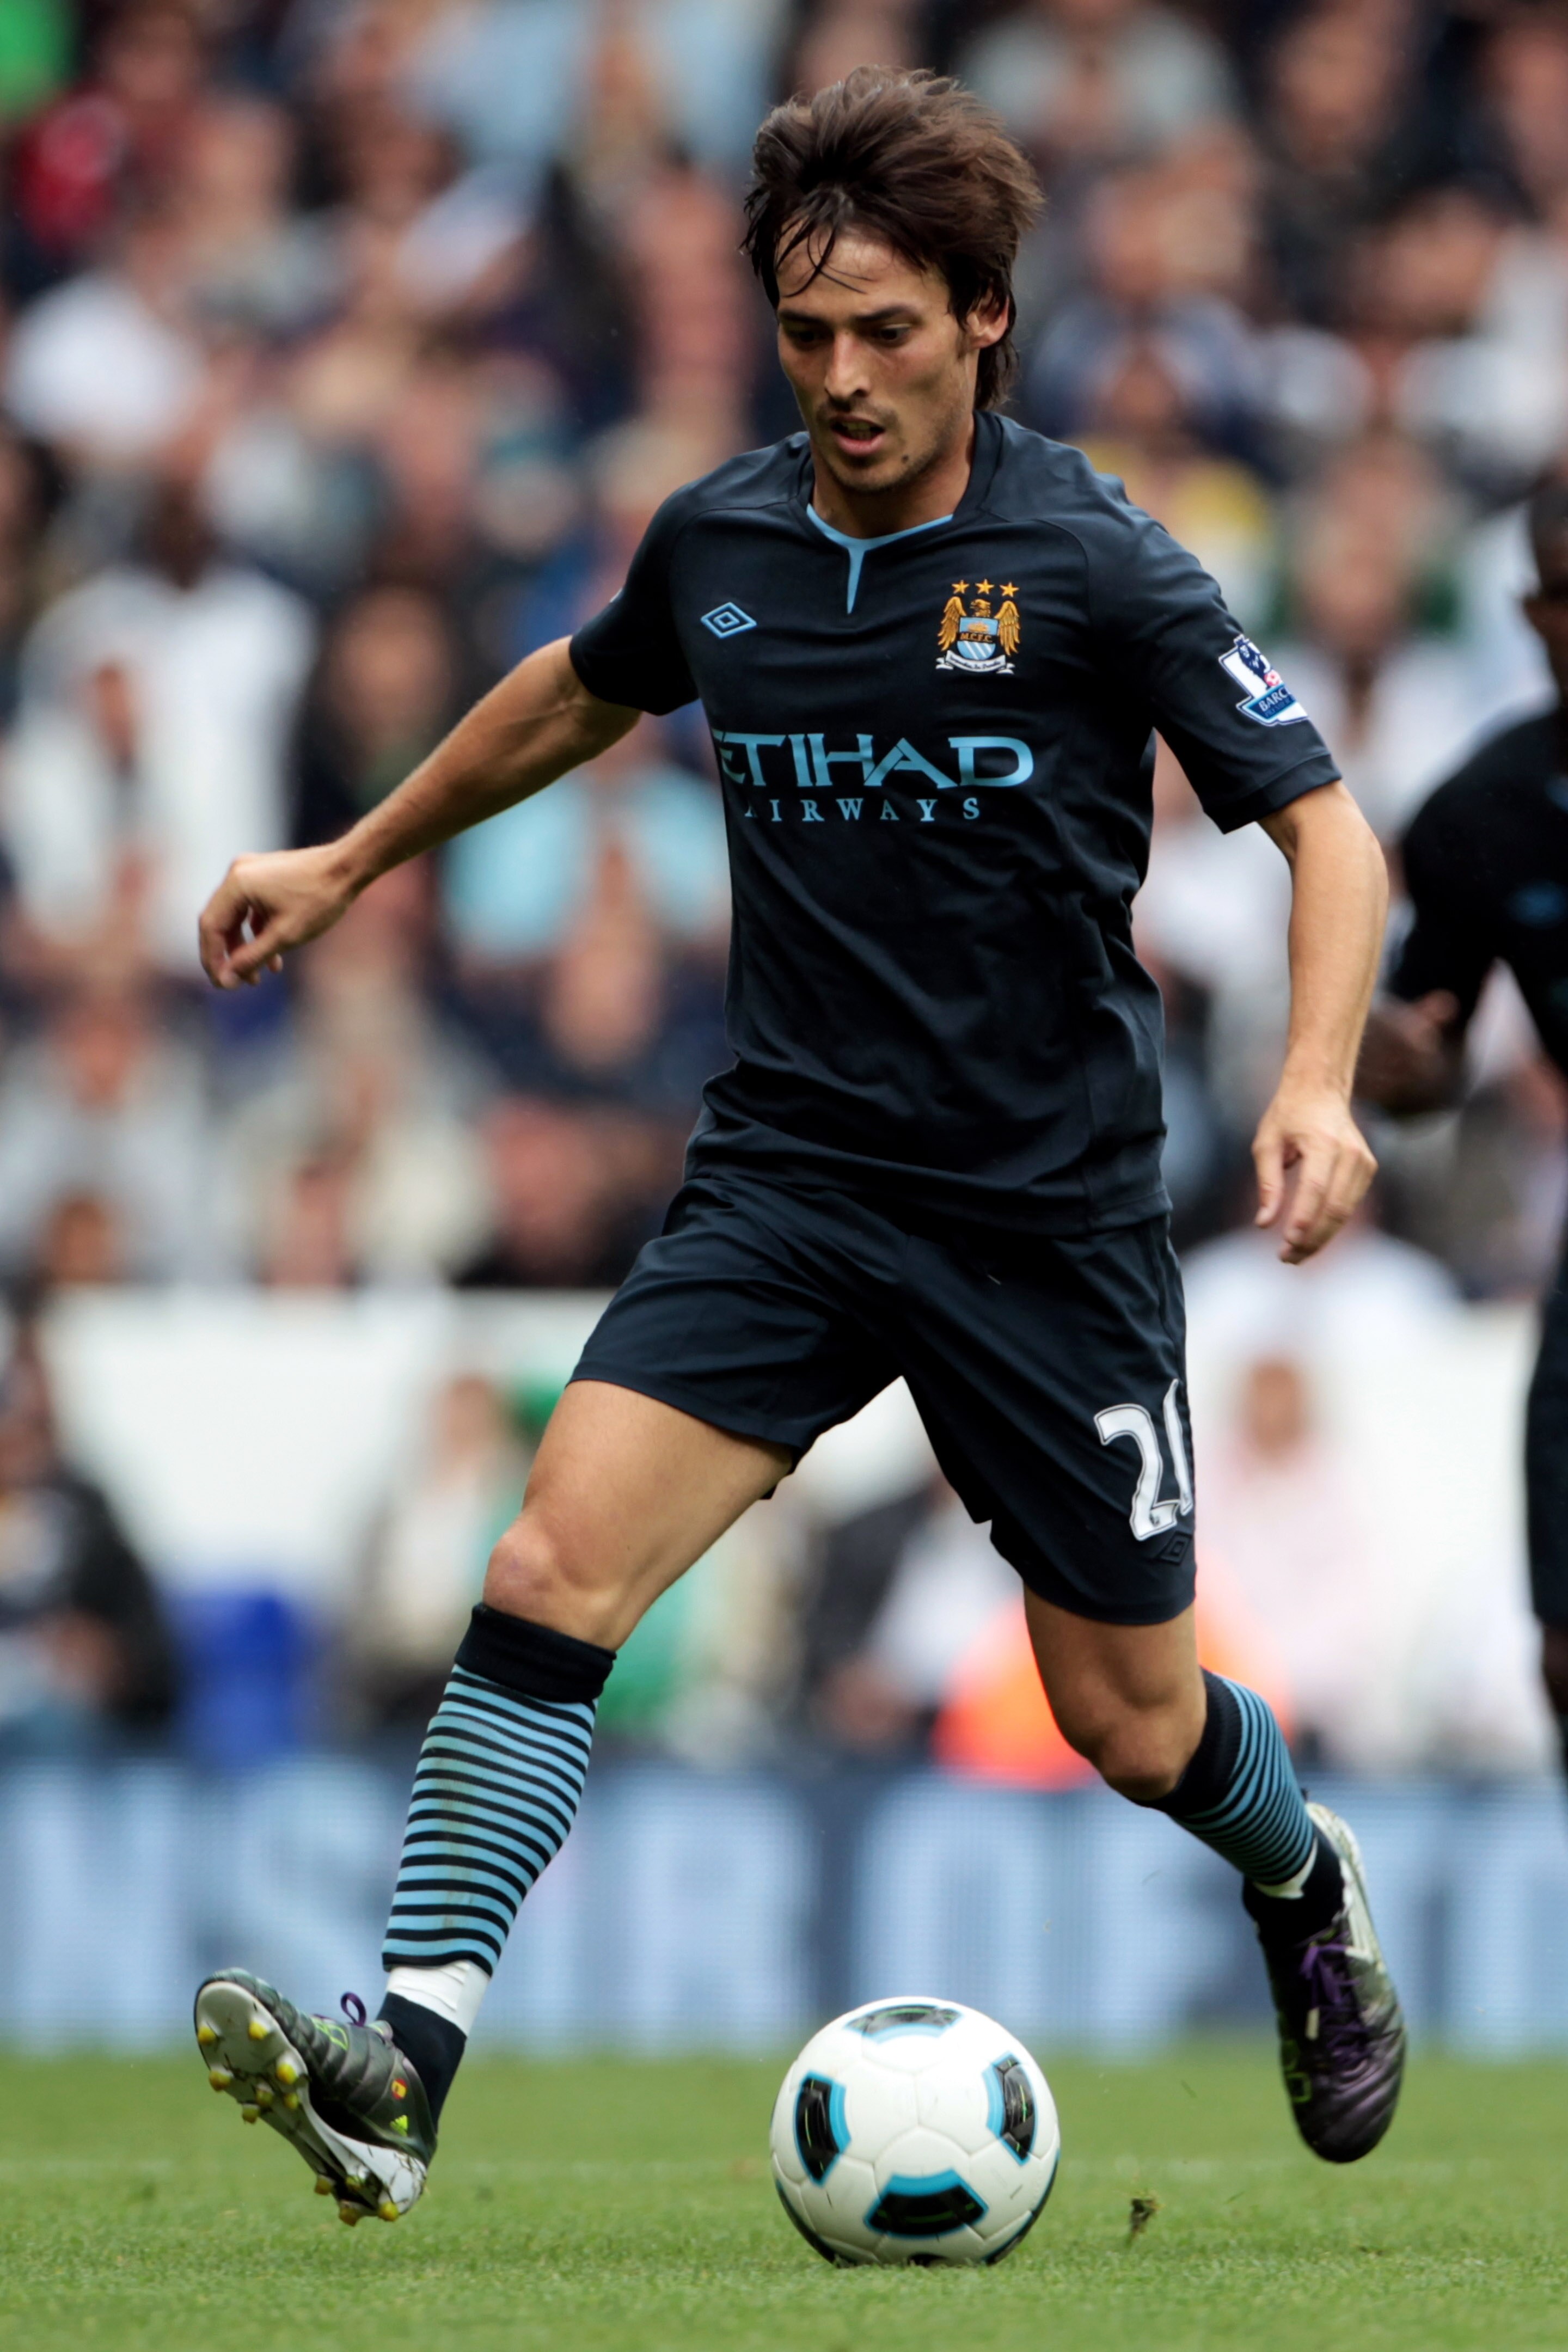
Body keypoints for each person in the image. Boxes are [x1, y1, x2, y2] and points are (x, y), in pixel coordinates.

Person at [188, 70, 1400, 2230]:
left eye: (890, 335)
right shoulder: (725, 536)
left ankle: (1304, 1882)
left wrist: (1311, 1086)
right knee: (551, 1566)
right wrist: (358, 853)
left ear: (987, 321)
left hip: (1047, 1222)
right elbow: (579, 688)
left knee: (1131, 1723)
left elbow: (1325, 834)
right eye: (809, 334)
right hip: (794, 1179)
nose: (843, 378)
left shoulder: (1095, 558)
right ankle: (404, 2080)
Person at [1358, 477, 1568, 1781]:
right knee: (1563, 1647)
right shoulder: (1479, 815)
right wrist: (1399, 1067)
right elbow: (1418, 1064)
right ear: (1532, 611)